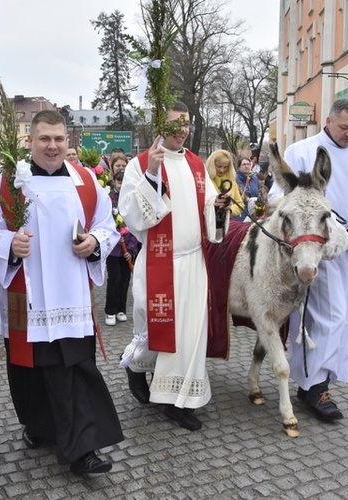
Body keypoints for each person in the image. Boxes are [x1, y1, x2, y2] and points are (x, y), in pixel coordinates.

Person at [0, 109, 123, 474]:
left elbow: (107, 227)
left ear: (68, 141)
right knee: (28, 369)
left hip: (70, 295)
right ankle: (39, 426)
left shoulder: (85, 181)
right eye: (44, 138)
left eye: (59, 139)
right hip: (25, 295)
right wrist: (10, 244)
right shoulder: (6, 181)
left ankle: (82, 449)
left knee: (74, 369)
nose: (53, 146)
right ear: (30, 142)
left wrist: (93, 241)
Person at [267, 99, 348, 421]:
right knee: (323, 318)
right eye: (344, 127)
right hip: (310, 248)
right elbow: (281, 195)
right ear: (329, 120)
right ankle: (313, 387)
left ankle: (321, 380)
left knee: (344, 319)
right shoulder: (303, 150)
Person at [118, 101, 230, 432]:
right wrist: (152, 175)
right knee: (155, 330)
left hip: (193, 260)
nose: (182, 131)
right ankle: (136, 367)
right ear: (159, 127)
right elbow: (134, 216)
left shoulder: (196, 164)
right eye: (174, 124)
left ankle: (176, 399)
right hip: (159, 260)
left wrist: (218, 207)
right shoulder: (140, 164)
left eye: (186, 124)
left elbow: (209, 208)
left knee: (189, 334)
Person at [104, 169, 139, 326]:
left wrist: (131, 249)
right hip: (114, 249)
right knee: (115, 279)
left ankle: (121, 309)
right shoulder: (109, 200)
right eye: (119, 182)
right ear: (114, 182)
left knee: (125, 280)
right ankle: (110, 310)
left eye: (124, 182)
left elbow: (135, 224)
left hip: (128, 247)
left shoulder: (133, 200)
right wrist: (114, 237)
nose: (121, 185)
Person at [205, 149, 243, 219]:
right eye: (219, 166)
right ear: (212, 164)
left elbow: (240, 205)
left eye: (225, 167)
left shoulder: (231, 180)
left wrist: (230, 209)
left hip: (227, 221)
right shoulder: (205, 179)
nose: (222, 170)